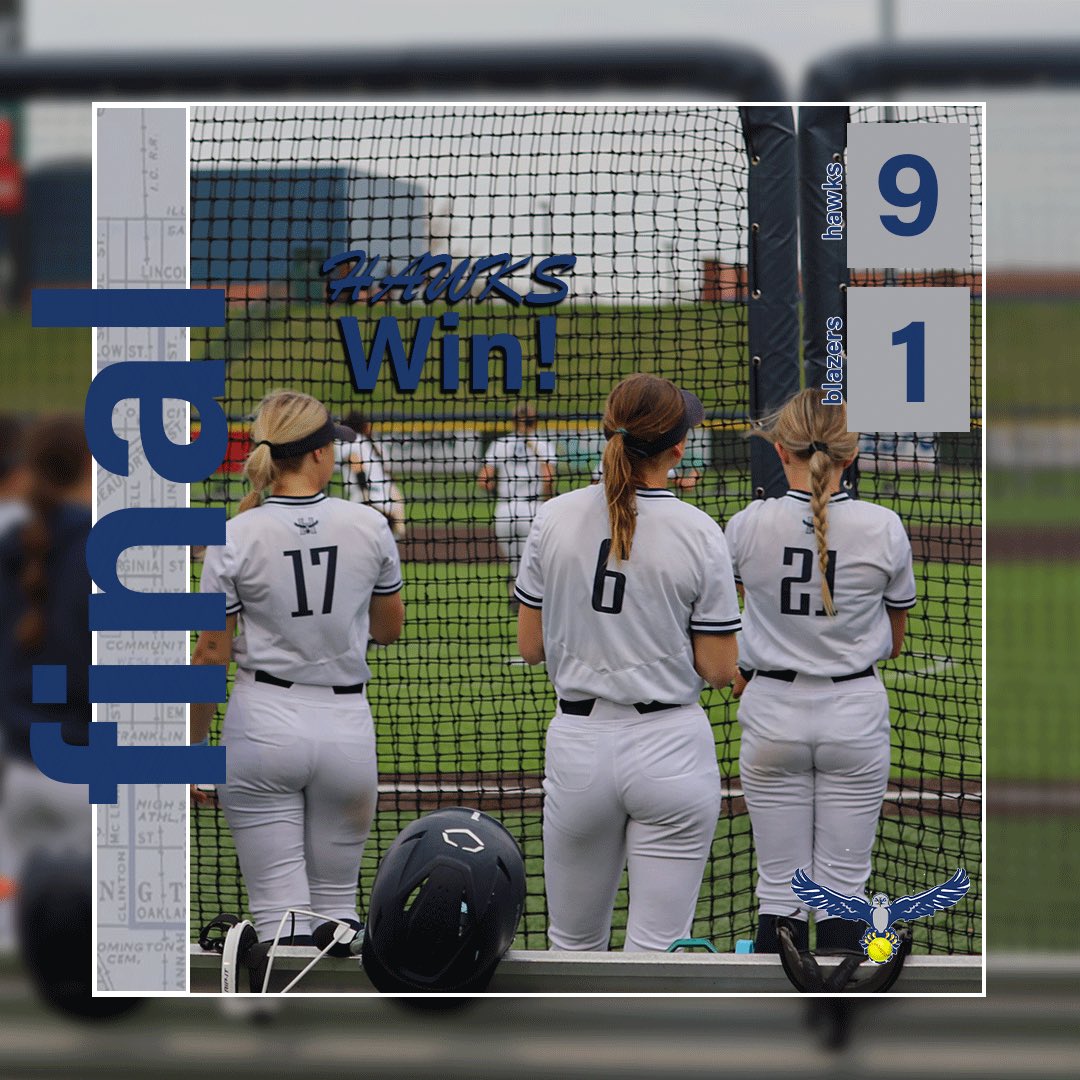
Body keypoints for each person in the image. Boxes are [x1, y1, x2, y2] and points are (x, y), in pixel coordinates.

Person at [514, 373, 740, 952]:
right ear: (677, 447)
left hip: (578, 746)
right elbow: (718, 669)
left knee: (569, 946)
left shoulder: (553, 517)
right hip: (669, 746)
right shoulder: (699, 531)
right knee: (659, 955)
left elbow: (531, 646)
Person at [191, 391, 405, 946]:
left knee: (276, 918)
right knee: (338, 916)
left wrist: (191, 749)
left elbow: (211, 654)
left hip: (261, 724)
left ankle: (279, 1029)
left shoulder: (234, 536)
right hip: (345, 728)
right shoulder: (370, 526)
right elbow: (388, 631)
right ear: (316, 454)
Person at [725, 388, 917, 954]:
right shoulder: (884, 527)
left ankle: (766, 1035)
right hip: (853, 715)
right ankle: (835, 1023)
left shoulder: (745, 525)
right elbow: (894, 643)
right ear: (850, 454)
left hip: (770, 714)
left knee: (777, 894)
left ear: (780, 449)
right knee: (841, 893)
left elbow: (722, 620)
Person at [478, 403, 557, 611]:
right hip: (533, 510)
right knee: (532, 563)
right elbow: (548, 479)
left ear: (512, 421)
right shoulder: (542, 445)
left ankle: (516, 592)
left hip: (505, 510)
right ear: (536, 422)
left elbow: (484, 480)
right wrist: (548, 500)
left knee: (514, 563)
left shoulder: (501, 443)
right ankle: (528, 602)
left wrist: (499, 489)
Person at [335, 410, 406, 540]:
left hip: (364, 501)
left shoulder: (351, 441)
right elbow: (390, 481)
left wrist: (365, 494)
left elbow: (357, 466)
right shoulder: (375, 444)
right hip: (386, 502)